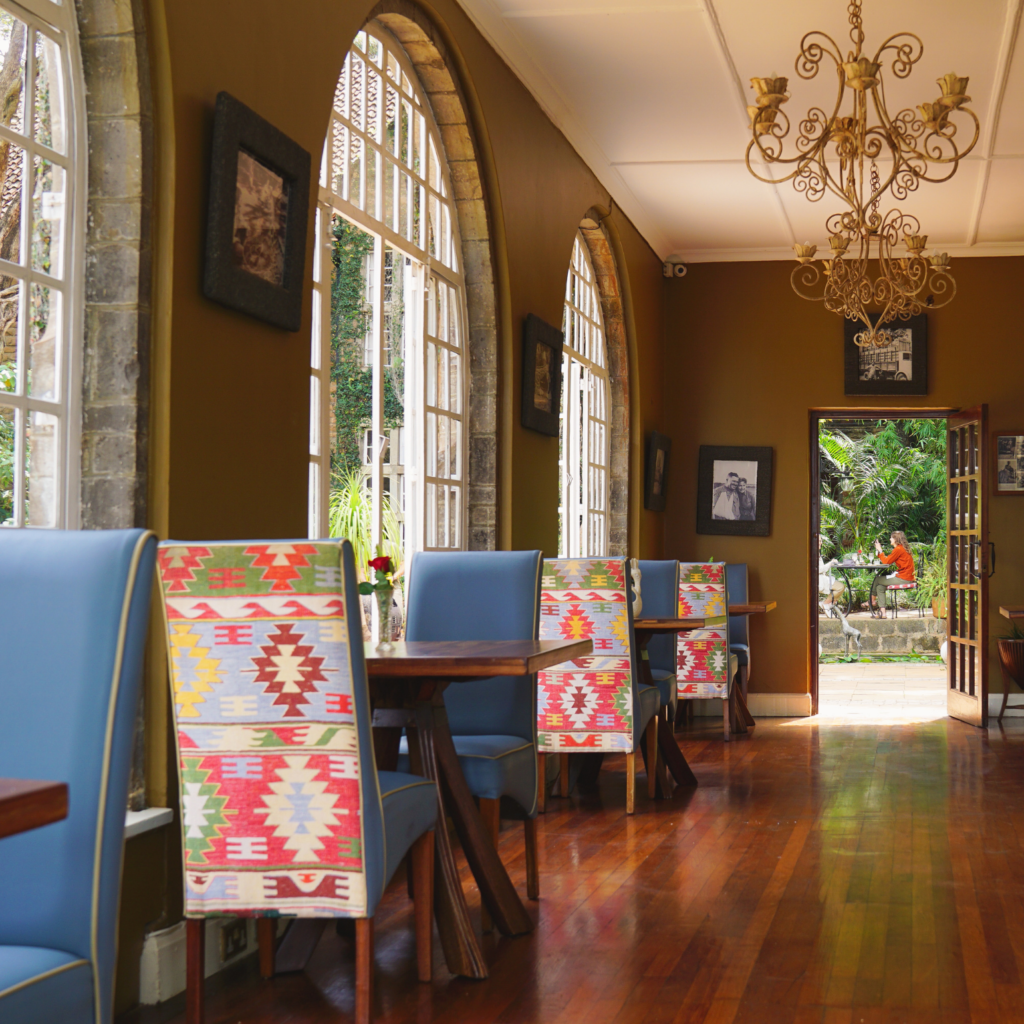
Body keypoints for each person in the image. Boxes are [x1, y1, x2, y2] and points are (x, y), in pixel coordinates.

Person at [870, 530, 915, 618]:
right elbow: (888, 560)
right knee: (880, 587)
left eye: (891, 537)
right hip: (906, 576)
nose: (890, 539)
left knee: (877, 579)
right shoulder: (901, 548)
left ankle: (871, 601)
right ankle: (883, 613)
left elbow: (887, 561)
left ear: (895, 539)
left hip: (904, 578)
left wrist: (880, 550)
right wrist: (880, 552)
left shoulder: (898, 549)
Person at [818, 535, 845, 612]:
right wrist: (830, 563)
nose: (821, 543)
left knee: (841, 587)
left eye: (821, 541)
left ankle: (829, 605)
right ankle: (825, 604)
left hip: (821, 578)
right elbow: (818, 569)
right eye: (819, 541)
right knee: (841, 587)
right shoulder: (813, 554)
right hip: (818, 580)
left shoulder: (815, 552)